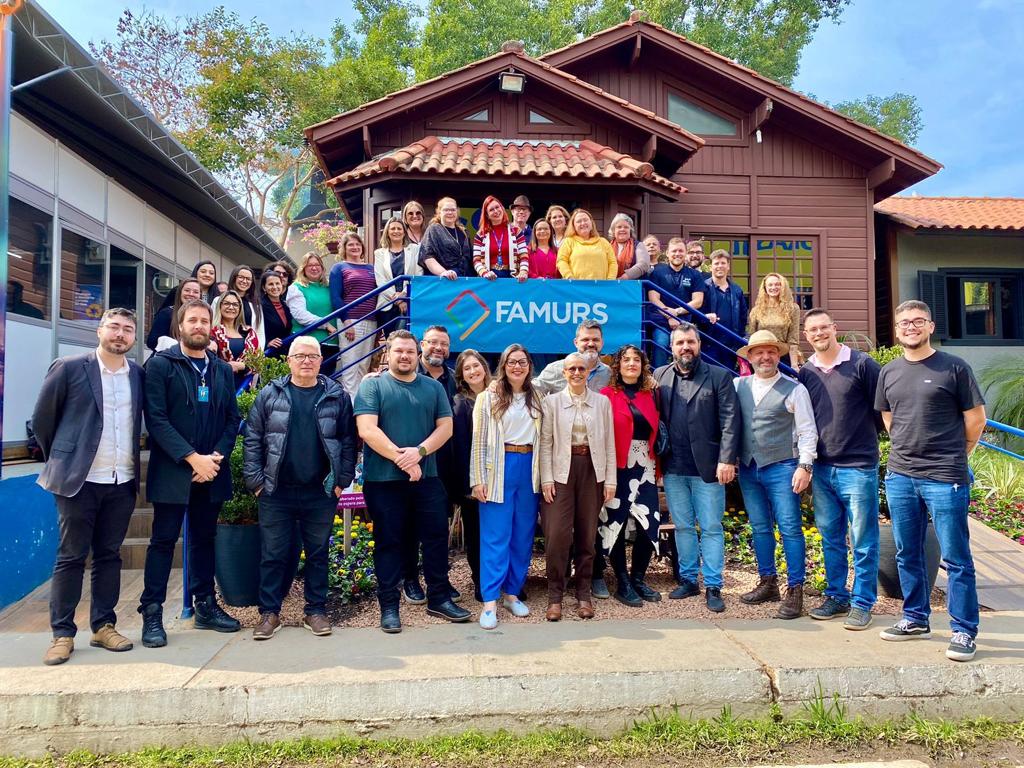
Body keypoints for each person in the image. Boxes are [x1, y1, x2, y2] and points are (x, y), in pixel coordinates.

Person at [875, 300, 986, 662]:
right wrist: (908, 447)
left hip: (944, 475)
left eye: (917, 321)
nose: (910, 327)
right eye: (904, 322)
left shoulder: (954, 367)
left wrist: (959, 451)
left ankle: (963, 630)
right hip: (901, 475)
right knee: (908, 552)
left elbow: (976, 419)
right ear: (896, 330)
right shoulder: (889, 371)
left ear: (930, 326)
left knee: (956, 557)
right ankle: (915, 618)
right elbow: (889, 415)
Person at [33, 309, 144, 666]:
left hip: (121, 479)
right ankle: (62, 633)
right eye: (114, 327)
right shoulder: (68, 367)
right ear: (99, 331)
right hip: (78, 481)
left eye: (128, 329)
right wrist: (66, 459)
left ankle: (103, 625)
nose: (120, 334)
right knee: (71, 557)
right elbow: (42, 421)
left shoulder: (138, 375)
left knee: (109, 555)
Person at [138, 299, 241, 647]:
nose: (198, 325)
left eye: (203, 320)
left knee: (204, 539)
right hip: (173, 470)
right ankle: (152, 612)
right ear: (180, 327)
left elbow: (232, 419)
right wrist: (190, 458)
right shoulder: (161, 365)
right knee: (163, 542)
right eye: (192, 320)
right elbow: (156, 419)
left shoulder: (222, 370)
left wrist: (214, 458)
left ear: (211, 327)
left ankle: (205, 606)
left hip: (211, 471)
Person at [354, 329, 471, 633]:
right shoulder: (373, 387)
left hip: (427, 478)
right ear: (388, 353)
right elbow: (367, 430)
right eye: (398, 351)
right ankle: (389, 605)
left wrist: (418, 454)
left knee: (435, 539)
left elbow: (445, 428)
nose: (404, 356)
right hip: (383, 481)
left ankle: (439, 598)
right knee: (389, 542)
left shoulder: (432, 388)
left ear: (415, 353)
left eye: (408, 351)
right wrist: (402, 459)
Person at [243, 336, 357, 640]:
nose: (306, 361)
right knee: (273, 554)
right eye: (300, 355)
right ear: (289, 360)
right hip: (276, 491)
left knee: (318, 553)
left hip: (319, 491)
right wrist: (256, 483)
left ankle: (315, 611)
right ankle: (269, 613)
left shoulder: (336, 396)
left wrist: (342, 482)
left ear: (321, 361)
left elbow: (348, 441)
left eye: (313, 355)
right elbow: (253, 438)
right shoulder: (269, 394)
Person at [799, 308, 882, 630]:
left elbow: (882, 412)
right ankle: (836, 595)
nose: (819, 334)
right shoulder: (807, 372)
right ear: (806, 336)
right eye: (812, 330)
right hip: (823, 468)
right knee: (831, 538)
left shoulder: (862, 365)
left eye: (823, 328)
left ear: (834, 328)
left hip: (858, 466)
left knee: (863, 539)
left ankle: (863, 602)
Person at [654, 323, 740, 613]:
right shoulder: (660, 376)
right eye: (679, 343)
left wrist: (727, 459)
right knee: (684, 527)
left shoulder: (719, 376)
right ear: (672, 346)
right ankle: (689, 579)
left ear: (699, 344)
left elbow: (730, 420)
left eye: (690, 341)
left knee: (712, 527)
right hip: (673, 466)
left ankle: (714, 584)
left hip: (709, 468)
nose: (685, 347)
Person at [734, 330, 817, 620]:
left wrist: (805, 466)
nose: (765, 357)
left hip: (783, 465)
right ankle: (768, 582)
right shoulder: (737, 385)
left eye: (771, 351)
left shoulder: (795, 389)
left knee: (790, 528)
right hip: (748, 467)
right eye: (759, 352)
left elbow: (808, 431)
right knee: (759, 527)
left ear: (778, 355)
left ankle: (795, 590)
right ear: (751, 357)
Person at [469, 344, 542, 629]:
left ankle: (512, 594)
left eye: (522, 361)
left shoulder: (538, 396)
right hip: (498, 468)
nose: (517, 366)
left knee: (522, 536)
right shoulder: (488, 397)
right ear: (503, 364)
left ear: (529, 365)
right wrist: (478, 479)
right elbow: (478, 441)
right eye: (511, 362)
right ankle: (489, 602)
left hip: (529, 469)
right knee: (495, 536)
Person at [539, 353, 617, 621]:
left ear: (588, 372)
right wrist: (546, 479)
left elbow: (609, 443)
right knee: (557, 535)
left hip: (591, 471)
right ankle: (555, 596)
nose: (576, 372)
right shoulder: (552, 402)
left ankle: (583, 593)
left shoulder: (601, 402)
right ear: (563, 373)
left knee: (587, 534)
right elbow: (546, 443)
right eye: (571, 368)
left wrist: (610, 480)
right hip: (561, 471)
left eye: (581, 368)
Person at [401, 325, 461, 604]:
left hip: (447, 464)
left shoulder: (454, 379)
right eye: (433, 343)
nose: (438, 348)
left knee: (438, 526)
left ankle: (439, 578)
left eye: (444, 344)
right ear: (422, 345)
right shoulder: (408, 376)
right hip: (414, 462)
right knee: (411, 524)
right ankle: (410, 579)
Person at [598, 345, 662, 608]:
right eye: (626, 359)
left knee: (649, 524)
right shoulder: (606, 396)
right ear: (618, 365)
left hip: (646, 465)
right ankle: (622, 581)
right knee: (617, 525)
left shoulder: (653, 394)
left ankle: (638, 578)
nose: (632, 363)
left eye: (637, 359)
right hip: (618, 467)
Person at [451, 350, 492, 602]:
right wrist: (469, 484)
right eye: (467, 369)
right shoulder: (460, 403)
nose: (473, 371)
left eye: (476, 366)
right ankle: (480, 581)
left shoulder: (500, 396)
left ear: (485, 368)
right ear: (461, 376)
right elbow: (461, 446)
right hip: (474, 483)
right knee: (477, 534)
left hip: (501, 477)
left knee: (498, 532)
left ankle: (502, 578)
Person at [329, 232, 377, 398]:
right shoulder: (339, 268)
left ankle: (362, 406)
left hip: (371, 320)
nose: (355, 247)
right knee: (350, 366)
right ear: (344, 248)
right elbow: (335, 297)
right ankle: (350, 408)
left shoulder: (371, 268)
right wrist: (347, 321)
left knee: (364, 366)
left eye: (357, 244)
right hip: (351, 320)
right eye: (350, 244)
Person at [647, 237, 705, 368]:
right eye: (674, 251)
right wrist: (670, 316)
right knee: (661, 345)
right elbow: (653, 298)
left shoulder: (695, 275)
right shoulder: (657, 272)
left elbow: (698, 301)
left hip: (685, 323)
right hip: (661, 322)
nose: (677, 254)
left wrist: (676, 313)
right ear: (667, 253)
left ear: (685, 253)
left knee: (689, 351)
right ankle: (659, 381)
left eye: (680, 251)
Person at [286, 252, 339, 376]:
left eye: (317, 265)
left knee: (327, 381)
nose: (314, 268)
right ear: (303, 268)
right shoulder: (296, 287)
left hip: (331, 343)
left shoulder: (329, 286)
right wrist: (326, 325)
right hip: (307, 343)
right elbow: (300, 314)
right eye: (310, 265)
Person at [532, 319, 611, 396]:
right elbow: (531, 391)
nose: (591, 344)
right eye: (585, 340)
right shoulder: (555, 369)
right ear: (576, 343)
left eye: (595, 340)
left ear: (602, 342)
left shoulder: (608, 373)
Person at [374, 216, 421, 333]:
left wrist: (404, 295)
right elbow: (380, 281)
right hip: (387, 305)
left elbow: (418, 274)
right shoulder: (379, 253)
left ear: (404, 232)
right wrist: (398, 300)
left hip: (409, 303)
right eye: (393, 229)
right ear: (387, 232)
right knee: (391, 344)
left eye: (399, 229)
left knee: (406, 341)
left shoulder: (414, 249)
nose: (396, 231)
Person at [702, 249, 748, 371]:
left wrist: (741, 339)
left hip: (731, 346)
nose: (719, 266)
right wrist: (705, 316)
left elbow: (743, 317)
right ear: (711, 267)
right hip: (709, 344)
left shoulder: (737, 290)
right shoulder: (703, 287)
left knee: (728, 379)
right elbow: (696, 314)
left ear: (728, 266)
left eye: (723, 263)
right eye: (716, 263)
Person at [748, 273, 801, 369]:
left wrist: (794, 364)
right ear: (765, 288)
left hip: (783, 355)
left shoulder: (793, 309)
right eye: (770, 285)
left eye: (777, 284)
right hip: (761, 356)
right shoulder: (756, 310)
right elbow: (752, 337)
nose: (774, 287)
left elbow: (793, 339)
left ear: (783, 287)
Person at [211, 289, 260, 391]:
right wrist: (228, 366)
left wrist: (242, 366)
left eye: (235, 304)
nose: (231, 307)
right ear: (220, 306)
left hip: (244, 387)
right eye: (227, 303)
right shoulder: (212, 332)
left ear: (240, 308)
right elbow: (208, 361)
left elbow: (258, 363)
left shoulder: (249, 333)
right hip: (218, 386)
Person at [472, 195, 529, 281]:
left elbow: (524, 255)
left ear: (502, 208)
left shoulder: (517, 231)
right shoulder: (480, 235)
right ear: (487, 215)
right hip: (489, 279)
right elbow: (476, 260)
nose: (496, 211)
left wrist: (523, 271)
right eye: (491, 210)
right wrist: (484, 273)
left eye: (497, 207)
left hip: (512, 278)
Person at [419, 197, 472, 279]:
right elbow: (428, 256)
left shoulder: (463, 232)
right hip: (442, 279)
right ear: (439, 212)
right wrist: (444, 272)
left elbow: (468, 258)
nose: (450, 212)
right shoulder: (433, 230)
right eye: (446, 210)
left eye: (453, 210)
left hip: (462, 279)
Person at [212, 266, 264, 348]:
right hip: (222, 347)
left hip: (248, 352)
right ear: (234, 278)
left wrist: (258, 355)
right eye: (241, 277)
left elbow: (260, 333)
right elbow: (213, 324)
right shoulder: (218, 300)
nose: (244, 281)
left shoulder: (256, 305)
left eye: (248, 279)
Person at [556, 209, 616, 280]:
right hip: (576, 287)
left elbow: (612, 263)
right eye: (579, 221)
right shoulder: (568, 242)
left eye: (585, 220)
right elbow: (561, 261)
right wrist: (569, 277)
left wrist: (610, 280)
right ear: (574, 226)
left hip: (600, 287)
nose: (583, 223)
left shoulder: (603, 242)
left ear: (591, 223)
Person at [147, 279, 201, 352]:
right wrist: (173, 344)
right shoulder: (166, 313)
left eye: (196, 292)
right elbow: (152, 342)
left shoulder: (202, 316)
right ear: (180, 292)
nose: (191, 294)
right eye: (187, 290)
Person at [607, 213, 652, 280]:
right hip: (609, 285)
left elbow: (644, 264)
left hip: (631, 286)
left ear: (630, 230)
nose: (622, 229)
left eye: (626, 227)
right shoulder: (607, 246)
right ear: (613, 230)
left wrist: (625, 277)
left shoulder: (638, 245)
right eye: (619, 227)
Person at [260, 270, 294, 357]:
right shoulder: (259, 306)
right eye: (271, 284)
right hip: (269, 354)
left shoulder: (286, 305)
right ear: (264, 288)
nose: (275, 287)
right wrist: (267, 343)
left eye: (277, 283)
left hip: (285, 353)